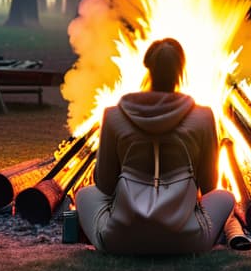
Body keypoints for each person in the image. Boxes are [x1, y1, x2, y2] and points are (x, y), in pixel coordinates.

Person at [75, 38, 236, 255]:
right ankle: (186, 233)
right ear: (181, 69)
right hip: (186, 241)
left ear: (147, 67)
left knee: (85, 195)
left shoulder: (113, 115)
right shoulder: (203, 116)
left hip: (121, 239)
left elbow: (104, 184)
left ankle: (120, 231)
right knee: (225, 196)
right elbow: (209, 185)